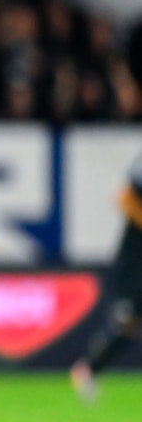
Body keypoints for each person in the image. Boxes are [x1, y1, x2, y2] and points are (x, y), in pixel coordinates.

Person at [70, 151, 142, 401]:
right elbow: (124, 198)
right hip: (135, 261)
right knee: (128, 323)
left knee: (130, 324)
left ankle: (89, 368)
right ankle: (89, 368)